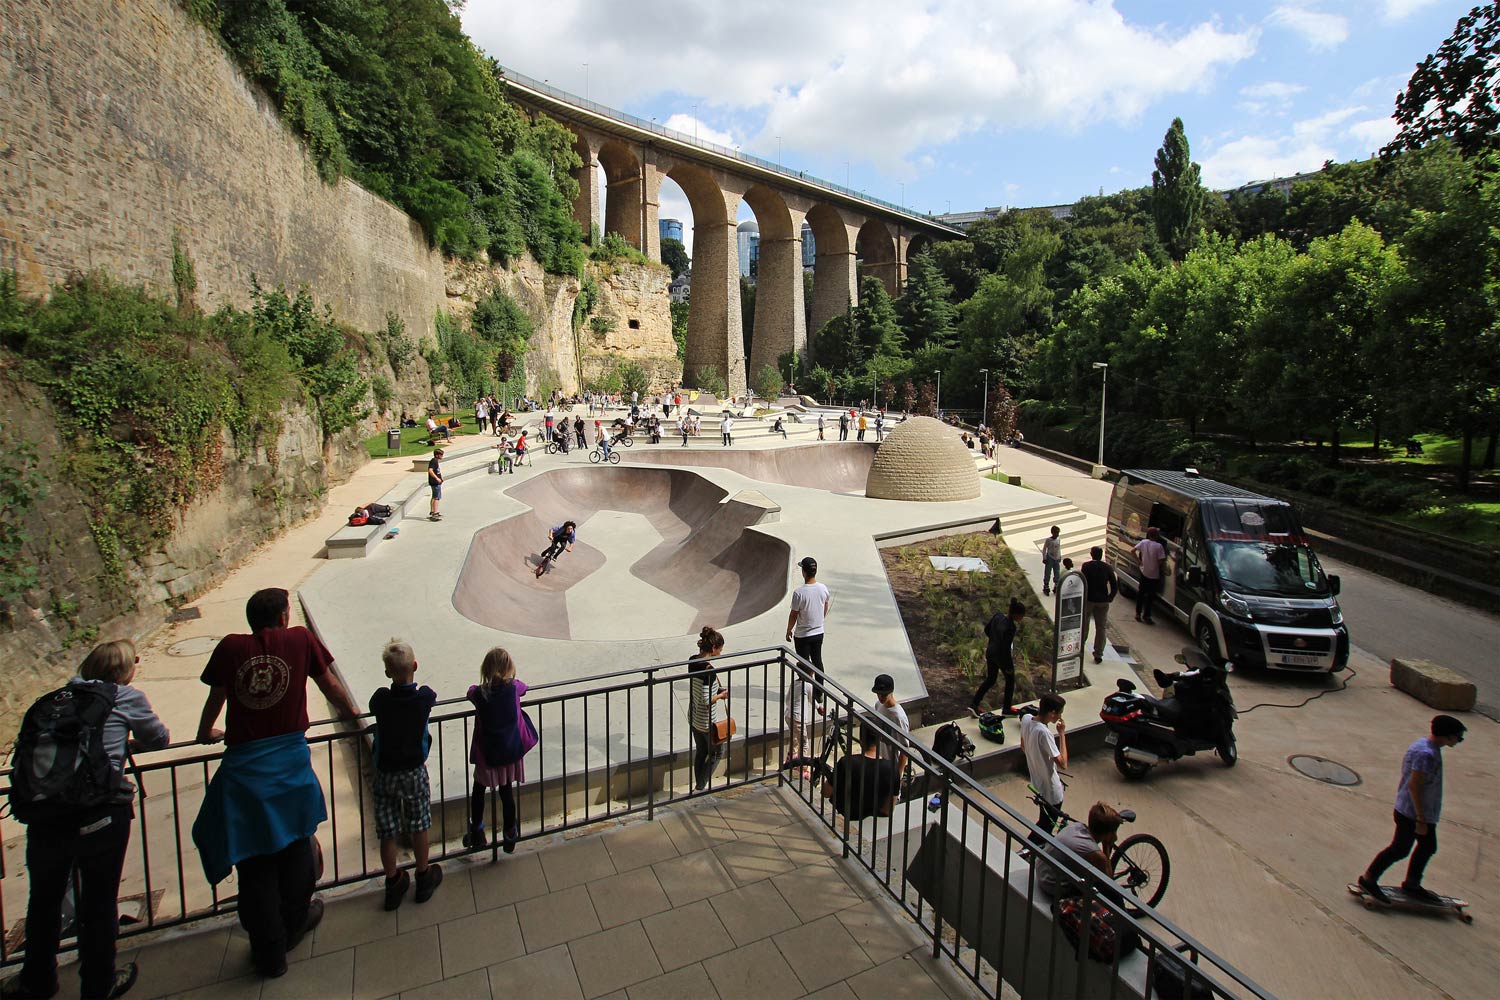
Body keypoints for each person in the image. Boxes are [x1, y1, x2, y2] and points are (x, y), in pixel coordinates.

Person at [193, 588, 361, 978]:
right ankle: (293, 924)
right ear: (285, 616)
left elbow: (218, 695)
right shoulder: (299, 639)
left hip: (244, 774)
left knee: (254, 862)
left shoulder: (230, 648)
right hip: (287, 768)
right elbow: (329, 685)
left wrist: (205, 731)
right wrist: (353, 712)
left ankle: (269, 950)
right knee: (295, 848)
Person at [2, 640, 170, 1000]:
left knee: (44, 901)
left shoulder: (56, 700)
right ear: (124, 670)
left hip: (46, 816)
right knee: (99, 901)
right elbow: (158, 738)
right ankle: (98, 984)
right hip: (100, 813)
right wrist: (122, 744)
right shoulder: (125, 697)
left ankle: (37, 982)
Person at [1357, 715, 1467, 904]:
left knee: (1427, 846)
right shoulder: (1426, 754)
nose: (1459, 741)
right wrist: (1421, 819)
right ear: (1447, 736)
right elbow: (1414, 786)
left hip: (1416, 811)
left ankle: (1412, 884)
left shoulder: (1427, 746)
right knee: (1400, 848)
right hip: (1412, 813)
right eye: (1458, 737)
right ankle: (1369, 879)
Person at [369, 640, 442, 910]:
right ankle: (423, 876)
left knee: (388, 831)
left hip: (386, 772)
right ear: (415, 666)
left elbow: (374, 705)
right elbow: (430, 694)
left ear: (387, 672)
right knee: (419, 824)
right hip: (413, 771)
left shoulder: (381, 699)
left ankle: (393, 882)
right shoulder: (423, 698)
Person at [464, 648, 532, 853]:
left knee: (478, 790)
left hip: (487, 756)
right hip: (508, 754)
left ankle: (477, 830)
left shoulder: (479, 693)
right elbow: (524, 687)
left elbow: (470, 692)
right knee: (506, 792)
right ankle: (510, 832)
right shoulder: (513, 688)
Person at [1036, 803, 1124, 900]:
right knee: (1113, 896)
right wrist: (1107, 847)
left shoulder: (1076, 826)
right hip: (1051, 885)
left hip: (1041, 870)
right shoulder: (1095, 854)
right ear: (1109, 834)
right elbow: (1109, 883)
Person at [823, 721, 897, 823]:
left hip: (842, 821)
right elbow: (888, 810)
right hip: (872, 825)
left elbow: (826, 792)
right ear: (880, 739)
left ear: (861, 739)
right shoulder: (892, 769)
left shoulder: (846, 762)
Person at [1020, 694, 1068, 845]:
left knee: (1043, 822)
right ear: (1052, 713)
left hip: (1038, 784)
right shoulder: (1044, 733)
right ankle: (1026, 852)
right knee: (1045, 829)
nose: (1060, 716)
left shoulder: (1026, 719)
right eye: (1060, 713)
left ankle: (1026, 850)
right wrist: (1062, 734)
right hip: (1052, 791)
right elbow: (1063, 763)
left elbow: (1023, 746)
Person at [688, 627, 730, 791]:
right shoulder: (709, 671)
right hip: (706, 720)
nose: (721, 651)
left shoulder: (692, 660)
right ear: (713, 648)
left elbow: (699, 689)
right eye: (720, 648)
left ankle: (698, 784)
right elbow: (707, 700)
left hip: (693, 715)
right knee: (718, 752)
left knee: (701, 751)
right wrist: (720, 696)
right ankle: (701, 785)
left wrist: (716, 691)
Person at [972, 598, 1025, 717]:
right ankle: (1006, 708)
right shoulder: (1011, 627)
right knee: (1010, 680)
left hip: (991, 652)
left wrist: (993, 641)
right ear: (1016, 614)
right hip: (1001, 657)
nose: (1021, 618)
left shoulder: (998, 616)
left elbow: (987, 630)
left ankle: (974, 704)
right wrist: (1009, 666)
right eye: (1021, 616)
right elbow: (1006, 648)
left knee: (991, 679)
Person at [786, 557, 830, 691]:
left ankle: (806, 690)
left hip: (802, 635)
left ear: (804, 572)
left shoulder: (799, 593)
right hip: (818, 632)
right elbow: (825, 604)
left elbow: (794, 614)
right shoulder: (823, 588)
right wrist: (820, 620)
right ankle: (819, 691)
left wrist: (788, 630)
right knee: (817, 661)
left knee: (804, 664)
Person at [1079, 547, 1118, 664]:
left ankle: (1081, 646)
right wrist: (1110, 596)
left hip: (1089, 599)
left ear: (1091, 554)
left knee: (1084, 624)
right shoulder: (1107, 568)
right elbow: (1114, 584)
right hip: (1102, 601)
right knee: (1101, 627)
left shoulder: (1086, 566)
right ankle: (1098, 653)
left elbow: (1082, 580)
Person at [871, 674, 910, 781]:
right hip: (879, 762)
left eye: (884, 694)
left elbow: (904, 749)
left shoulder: (898, 717)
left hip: (891, 765)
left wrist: (898, 774)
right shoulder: (878, 705)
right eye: (878, 694)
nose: (880, 697)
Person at [1132, 526, 1167, 625]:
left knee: (1141, 594)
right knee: (1150, 597)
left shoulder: (1144, 542)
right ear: (1156, 536)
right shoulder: (1159, 546)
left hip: (1144, 572)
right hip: (1154, 575)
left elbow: (1132, 551)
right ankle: (1146, 616)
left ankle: (1138, 613)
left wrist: (1140, 561)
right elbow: (1161, 561)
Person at [1041, 525, 1063, 596]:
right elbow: (1044, 549)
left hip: (1056, 558)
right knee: (1048, 572)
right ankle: (1046, 585)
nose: (1057, 534)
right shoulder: (1048, 540)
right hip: (1050, 557)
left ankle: (1056, 585)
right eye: (1056, 533)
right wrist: (1044, 558)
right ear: (1052, 532)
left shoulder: (1058, 539)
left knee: (1057, 572)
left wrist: (1060, 556)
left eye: (1058, 533)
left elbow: (1058, 548)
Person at [427, 449, 444, 521]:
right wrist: (437, 478)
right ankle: (435, 513)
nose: (442, 456)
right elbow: (430, 470)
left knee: (434, 497)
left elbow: (436, 471)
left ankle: (432, 511)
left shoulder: (435, 461)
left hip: (436, 482)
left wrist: (440, 478)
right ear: (437, 455)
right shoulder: (434, 461)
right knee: (436, 498)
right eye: (441, 455)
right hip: (435, 482)